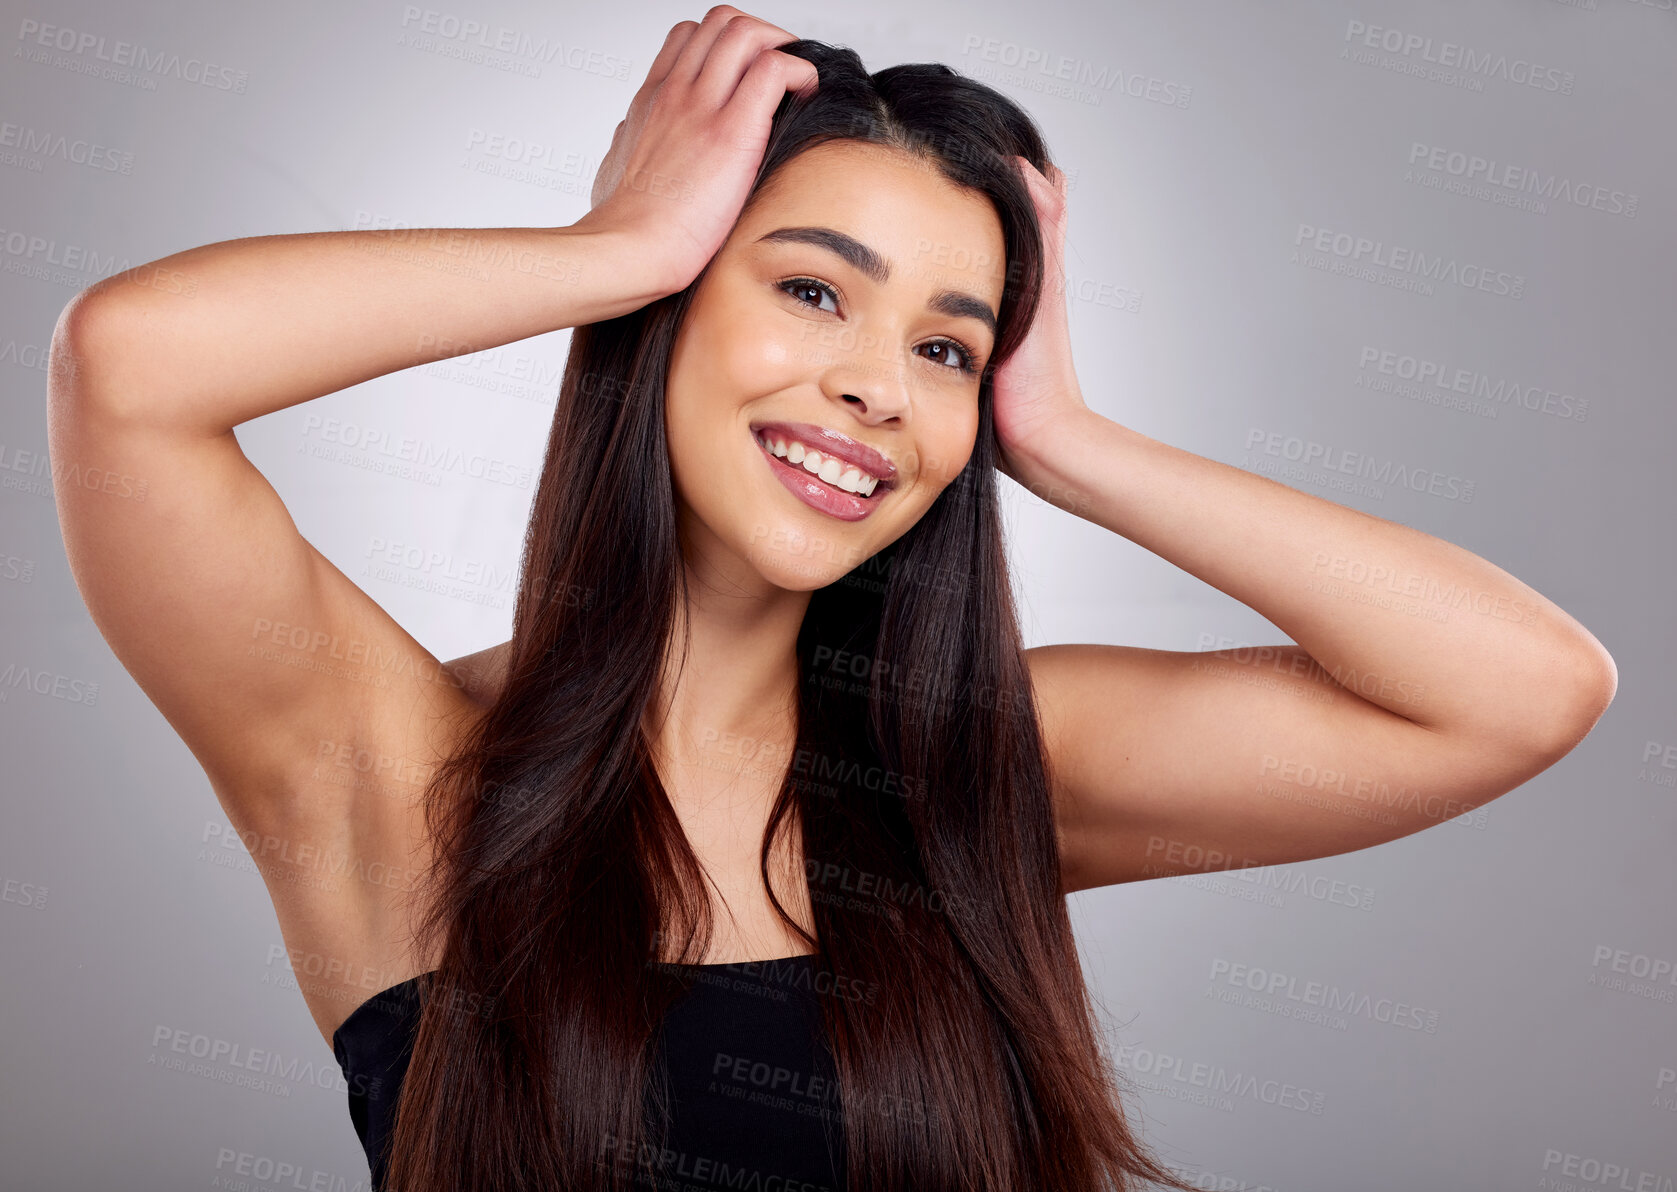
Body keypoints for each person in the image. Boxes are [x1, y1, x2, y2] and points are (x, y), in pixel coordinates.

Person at [45, 7, 1616, 1190]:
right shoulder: (387, 761)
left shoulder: (975, 766)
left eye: (943, 343)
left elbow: (1518, 689)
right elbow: (129, 371)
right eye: (810, 289)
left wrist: (1057, 438)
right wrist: (612, 246)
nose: (877, 385)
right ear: (664, 307)